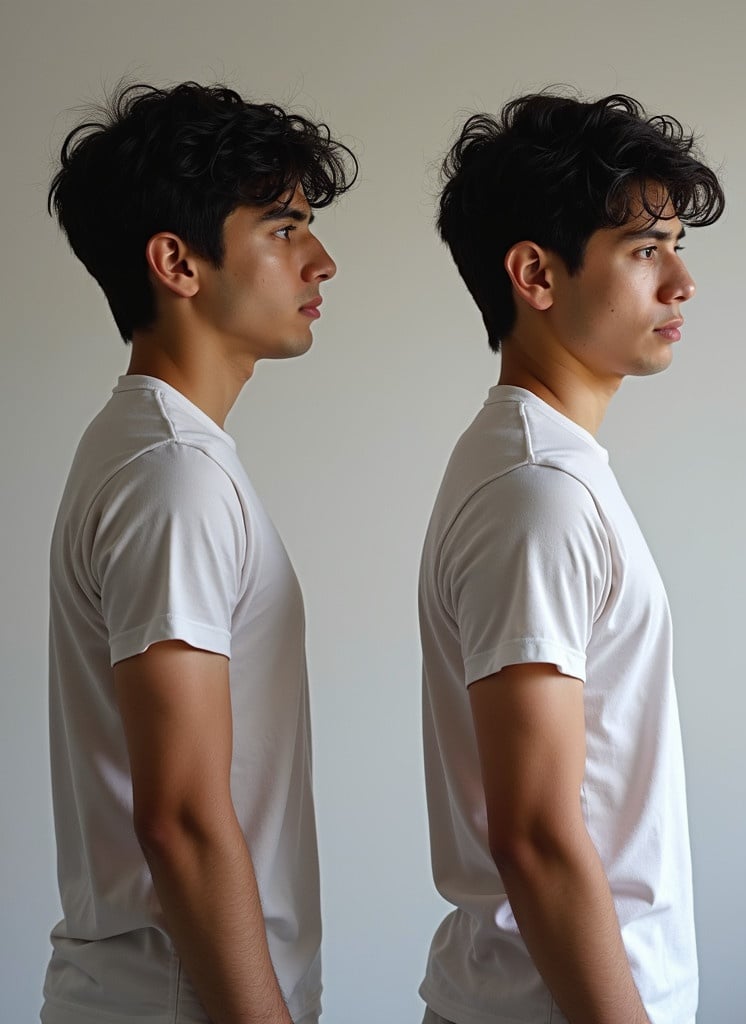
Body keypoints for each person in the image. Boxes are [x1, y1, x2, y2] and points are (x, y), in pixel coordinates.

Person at [43, 81, 356, 1024]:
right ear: (177, 262)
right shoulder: (171, 475)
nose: (322, 260)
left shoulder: (159, 449)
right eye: (283, 228)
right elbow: (179, 820)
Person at [418, 91, 724, 1024]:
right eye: (644, 251)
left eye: (677, 246)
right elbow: (537, 834)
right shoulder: (537, 494)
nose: (681, 283)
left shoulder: (548, 469)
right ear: (536, 276)